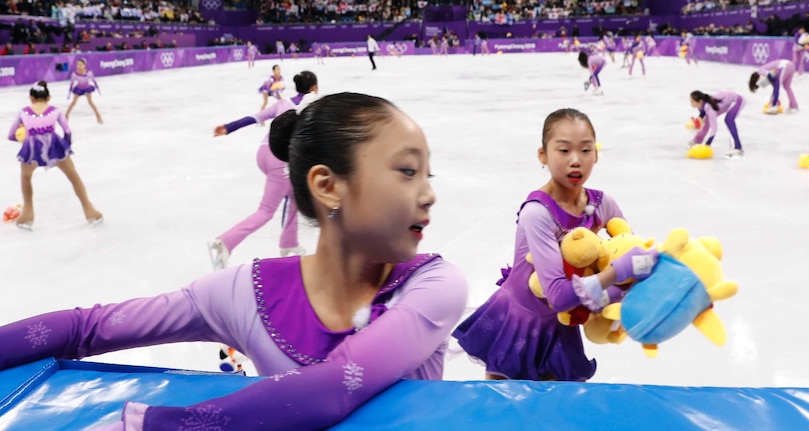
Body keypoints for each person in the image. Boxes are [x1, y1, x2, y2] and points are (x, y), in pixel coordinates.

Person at [0, 92, 468, 431]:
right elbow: (89, 328)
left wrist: (149, 427)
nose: (429, 194)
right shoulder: (244, 293)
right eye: (407, 171)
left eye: (428, 173)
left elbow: (335, 385)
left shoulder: (434, 286)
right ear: (328, 185)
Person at [452, 108, 657, 381]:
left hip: (561, 323)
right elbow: (558, 295)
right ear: (543, 155)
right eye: (563, 150)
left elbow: (627, 250)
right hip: (519, 321)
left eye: (586, 150)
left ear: (596, 153)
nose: (576, 161)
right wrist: (616, 273)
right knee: (504, 411)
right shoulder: (537, 213)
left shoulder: (602, 204)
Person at [210, 71, 319, 269]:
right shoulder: (312, 107)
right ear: (313, 88)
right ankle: (225, 242)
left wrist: (228, 127)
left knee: (295, 195)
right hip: (281, 161)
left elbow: (256, 116)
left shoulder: (282, 102)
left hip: (263, 153)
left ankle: (289, 243)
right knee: (266, 210)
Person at [7, 81, 103, 230]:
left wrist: (24, 140)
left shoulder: (23, 112)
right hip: (55, 145)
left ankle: (28, 214)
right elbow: (67, 131)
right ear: (49, 98)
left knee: (26, 177)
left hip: (32, 147)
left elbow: (11, 135)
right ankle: (89, 210)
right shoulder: (55, 111)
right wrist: (65, 146)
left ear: (31, 98)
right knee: (73, 176)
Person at [689, 90, 745, 157]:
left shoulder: (710, 109)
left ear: (700, 101)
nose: (690, 103)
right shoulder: (702, 106)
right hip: (728, 99)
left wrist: (708, 144)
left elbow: (714, 129)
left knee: (728, 120)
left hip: (737, 100)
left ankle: (737, 147)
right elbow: (703, 115)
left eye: (692, 101)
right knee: (706, 121)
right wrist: (697, 121)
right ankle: (697, 140)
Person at [66, 58, 103, 123]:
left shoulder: (89, 73)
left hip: (87, 88)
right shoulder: (74, 74)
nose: (79, 66)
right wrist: (69, 93)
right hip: (78, 89)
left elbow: (94, 81)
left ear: (84, 65)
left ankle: (98, 116)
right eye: (78, 65)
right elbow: (71, 84)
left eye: (81, 64)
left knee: (90, 102)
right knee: (73, 102)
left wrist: (98, 89)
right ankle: (66, 115)